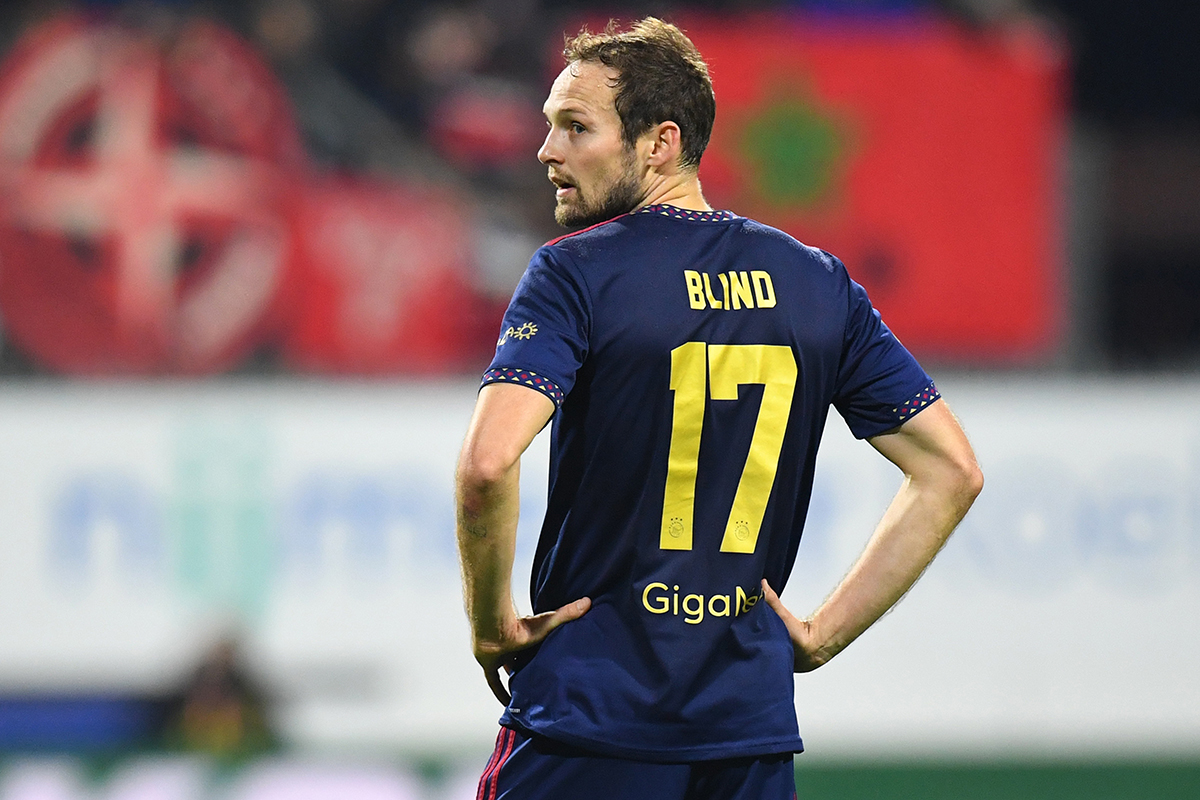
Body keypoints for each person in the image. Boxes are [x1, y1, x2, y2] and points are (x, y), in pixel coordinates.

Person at [455, 17, 982, 800]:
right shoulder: (817, 283)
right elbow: (952, 470)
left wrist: (490, 625)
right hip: (746, 731)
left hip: (590, 716)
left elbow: (488, 463)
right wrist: (822, 635)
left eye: (575, 127)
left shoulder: (575, 273)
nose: (547, 151)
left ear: (660, 143)